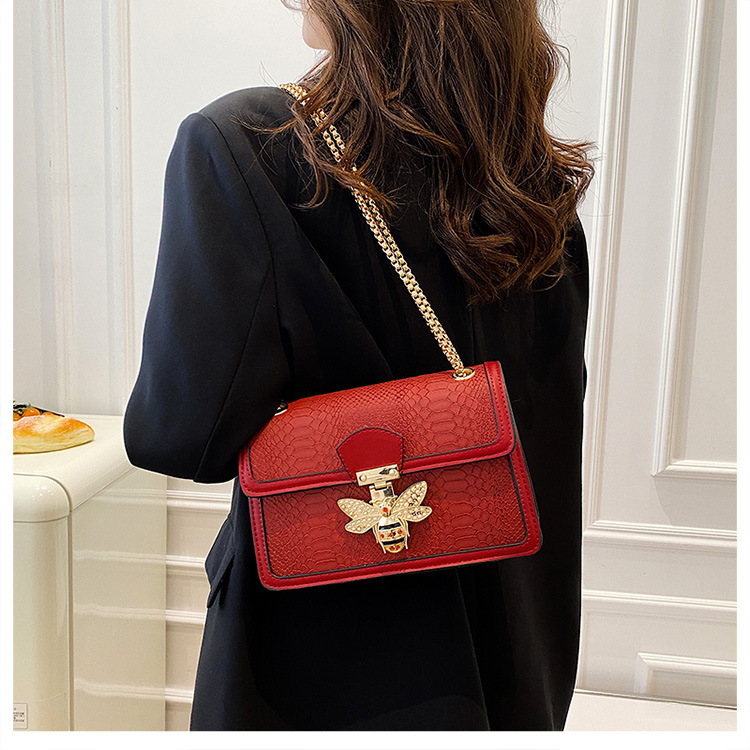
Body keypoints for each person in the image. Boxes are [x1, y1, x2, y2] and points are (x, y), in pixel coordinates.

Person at [123, 0, 594, 731]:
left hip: (322, 665)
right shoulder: (534, 188)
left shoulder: (247, 147)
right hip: (515, 652)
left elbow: (179, 436)